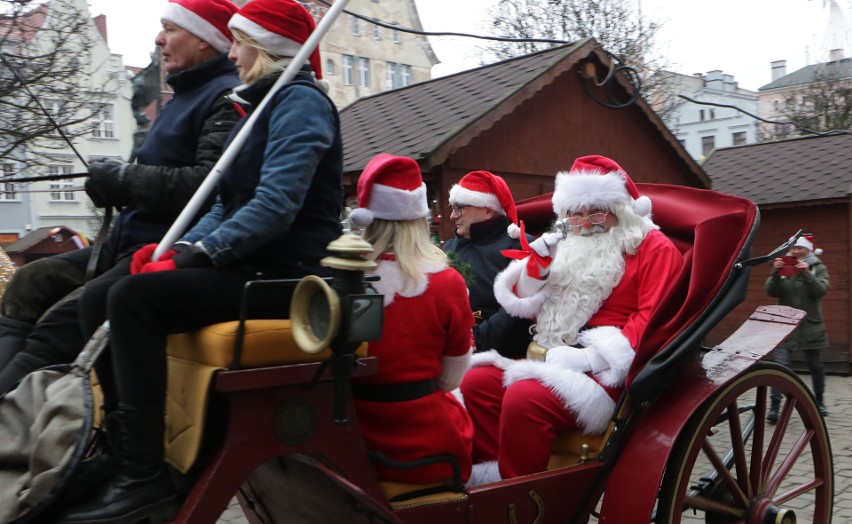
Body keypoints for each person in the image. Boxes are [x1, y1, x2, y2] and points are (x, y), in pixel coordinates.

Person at [58, 1, 343, 521]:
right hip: (248, 263)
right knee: (100, 296)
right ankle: (124, 450)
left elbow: (275, 206)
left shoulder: (299, 102)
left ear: (264, 49)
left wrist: (202, 254)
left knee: (133, 301)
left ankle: (144, 477)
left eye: (239, 43)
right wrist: (181, 251)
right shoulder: (256, 106)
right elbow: (220, 203)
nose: (230, 54)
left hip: (286, 271)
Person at [0, 0, 243, 392]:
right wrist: (115, 181)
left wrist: (124, 180)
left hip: (162, 249)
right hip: (123, 244)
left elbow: (206, 187)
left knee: (62, 319)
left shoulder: (224, 97)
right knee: (31, 279)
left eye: (171, 29)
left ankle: (13, 413)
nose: (159, 39)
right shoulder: (184, 95)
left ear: (203, 41)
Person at [458, 155, 683, 484]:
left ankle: (522, 503)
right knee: (474, 384)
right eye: (575, 214)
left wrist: (590, 357)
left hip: (606, 376)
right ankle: (493, 483)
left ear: (619, 210)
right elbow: (526, 305)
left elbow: (654, 317)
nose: (586, 221)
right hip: (548, 359)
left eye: (596, 210)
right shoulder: (565, 244)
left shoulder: (652, 247)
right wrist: (534, 273)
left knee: (525, 399)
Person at [347, 153, 474, 484]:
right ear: (420, 220)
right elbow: (452, 379)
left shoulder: (342, 280)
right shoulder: (446, 283)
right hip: (426, 451)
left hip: (350, 442)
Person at [442, 171, 533, 358]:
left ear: (487, 210)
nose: (452, 215)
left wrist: (475, 341)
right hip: (449, 348)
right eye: (453, 207)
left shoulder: (521, 247)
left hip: (498, 356)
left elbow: (517, 311)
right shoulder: (449, 248)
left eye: (459, 208)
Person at [766, 233, 830, 422]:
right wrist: (775, 273)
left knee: (815, 365)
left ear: (807, 250)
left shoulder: (818, 267)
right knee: (780, 365)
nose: (795, 251)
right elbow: (771, 291)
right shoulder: (785, 267)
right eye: (793, 248)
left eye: (799, 248)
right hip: (785, 324)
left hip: (810, 324)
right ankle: (774, 408)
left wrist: (807, 273)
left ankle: (819, 401)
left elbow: (820, 291)